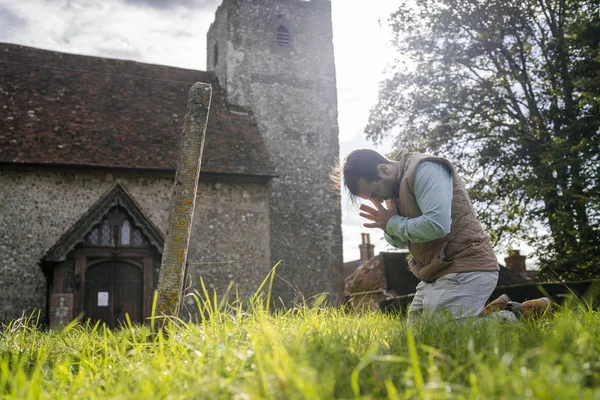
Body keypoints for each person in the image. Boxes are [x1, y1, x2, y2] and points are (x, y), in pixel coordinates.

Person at [340, 148, 501, 322]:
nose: (377, 200)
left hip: (467, 265)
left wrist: (392, 223)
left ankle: (513, 315)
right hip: (437, 271)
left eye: (374, 193)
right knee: (418, 336)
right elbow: (406, 241)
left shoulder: (426, 169)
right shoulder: (395, 189)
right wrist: (388, 227)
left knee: (446, 335)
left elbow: (437, 225)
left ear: (383, 170)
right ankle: (491, 313)